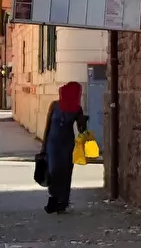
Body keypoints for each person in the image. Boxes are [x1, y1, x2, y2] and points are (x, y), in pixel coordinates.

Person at [40, 81, 88, 214]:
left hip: (67, 144)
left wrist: (84, 121)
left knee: (66, 173)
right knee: (53, 170)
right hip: (53, 143)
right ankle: (53, 199)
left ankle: (62, 202)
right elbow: (48, 126)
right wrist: (43, 146)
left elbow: (81, 129)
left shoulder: (77, 109)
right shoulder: (54, 105)